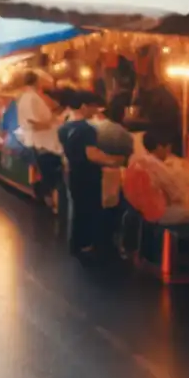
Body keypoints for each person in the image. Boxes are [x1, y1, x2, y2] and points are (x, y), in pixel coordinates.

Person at [59, 92, 128, 257]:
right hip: (87, 174)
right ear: (84, 106)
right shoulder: (86, 129)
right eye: (93, 106)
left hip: (73, 171)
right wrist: (112, 161)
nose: (96, 110)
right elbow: (91, 154)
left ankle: (76, 244)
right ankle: (87, 245)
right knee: (89, 210)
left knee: (77, 209)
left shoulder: (66, 126)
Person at [17, 69, 65, 212]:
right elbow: (33, 122)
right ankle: (50, 200)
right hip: (43, 141)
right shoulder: (31, 98)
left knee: (46, 171)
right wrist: (53, 123)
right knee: (51, 172)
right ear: (36, 80)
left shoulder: (26, 97)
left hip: (39, 140)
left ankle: (46, 198)